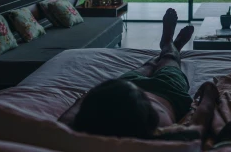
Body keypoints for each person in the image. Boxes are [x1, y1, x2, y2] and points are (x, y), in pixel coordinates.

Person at [73, 8, 219, 140]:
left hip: (121, 89)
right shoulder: (165, 138)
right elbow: (199, 125)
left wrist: (93, 94)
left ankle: (169, 46)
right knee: (169, 59)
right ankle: (171, 45)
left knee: (148, 65)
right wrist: (210, 94)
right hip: (168, 92)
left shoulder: (71, 133)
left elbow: (76, 107)